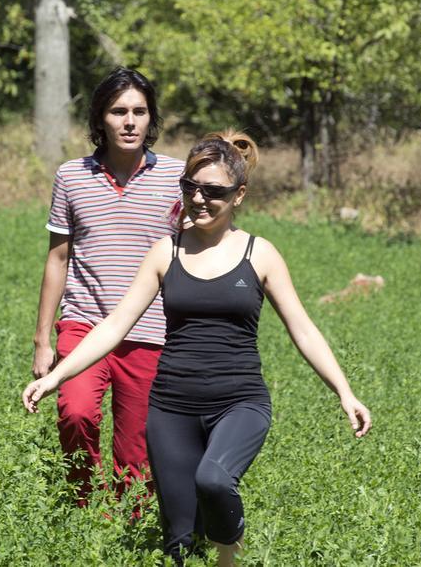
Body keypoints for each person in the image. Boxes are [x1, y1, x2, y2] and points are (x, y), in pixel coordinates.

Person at [24, 131, 371, 565]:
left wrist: (345, 392)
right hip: (172, 408)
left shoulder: (259, 254)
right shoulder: (164, 253)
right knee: (179, 540)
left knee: (213, 479)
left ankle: (231, 558)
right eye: (191, 188)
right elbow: (114, 325)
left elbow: (303, 330)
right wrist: (57, 375)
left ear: (239, 195)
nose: (200, 199)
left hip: (239, 403)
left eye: (214, 192)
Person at [31, 67, 184, 502]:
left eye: (140, 111)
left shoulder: (177, 178)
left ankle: (129, 537)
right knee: (75, 413)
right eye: (119, 112)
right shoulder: (72, 176)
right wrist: (43, 339)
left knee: (137, 451)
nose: (130, 121)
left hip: (152, 331)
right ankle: (82, 512)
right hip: (83, 325)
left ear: (151, 119)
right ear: (101, 120)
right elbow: (58, 257)